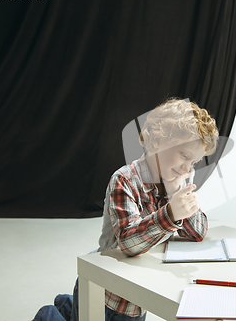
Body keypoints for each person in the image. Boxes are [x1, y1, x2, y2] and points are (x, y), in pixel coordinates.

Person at [33, 98, 219, 321]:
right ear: (157, 141)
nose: (187, 169)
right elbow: (129, 243)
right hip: (106, 292)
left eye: (194, 163)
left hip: (137, 297)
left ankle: (68, 306)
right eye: (185, 156)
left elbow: (199, 232)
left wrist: (176, 198)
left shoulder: (174, 185)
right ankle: (51, 314)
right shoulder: (124, 180)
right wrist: (170, 214)